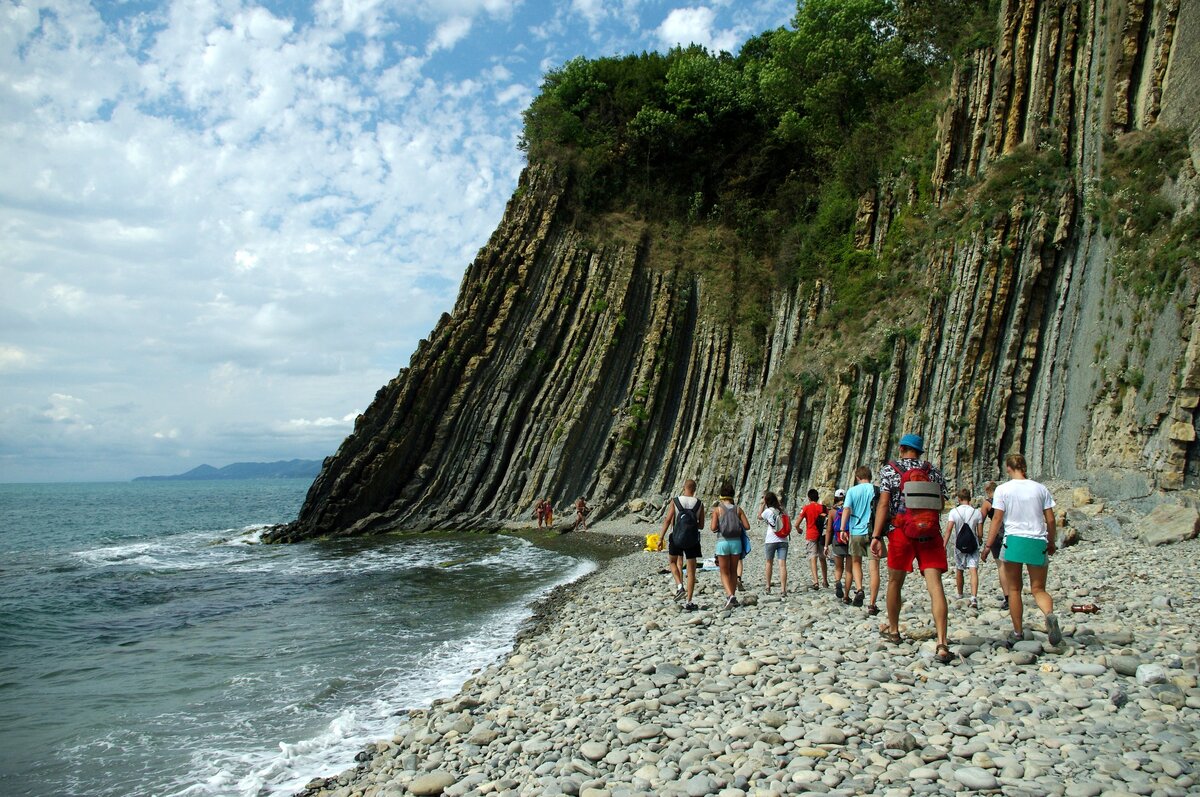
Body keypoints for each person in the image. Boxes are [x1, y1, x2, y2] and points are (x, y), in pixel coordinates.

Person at [871, 433, 953, 664]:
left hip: (901, 532)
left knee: (895, 583)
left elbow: (884, 503)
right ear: (919, 451)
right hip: (930, 532)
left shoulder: (890, 470)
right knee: (935, 586)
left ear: (902, 448)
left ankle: (894, 630)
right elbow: (941, 504)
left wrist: (877, 535)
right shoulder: (932, 470)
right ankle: (942, 642)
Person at [982, 454, 1062, 646]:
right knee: (1038, 589)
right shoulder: (1040, 488)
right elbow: (1050, 520)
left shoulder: (1003, 490)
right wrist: (1051, 542)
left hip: (1014, 542)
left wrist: (987, 546)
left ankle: (1018, 633)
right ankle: (1049, 614)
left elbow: (997, 519)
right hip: (1037, 542)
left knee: (1014, 589)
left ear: (1008, 468)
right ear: (1024, 467)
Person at [657, 479, 703, 610]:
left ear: (684, 487)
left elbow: (667, 520)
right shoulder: (699, 503)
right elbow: (701, 525)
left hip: (676, 537)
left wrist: (660, 538)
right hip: (692, 539)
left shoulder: (676, 501)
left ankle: (679, 586)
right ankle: (689, 601)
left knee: (672, 562)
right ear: (694, 489)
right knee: (691, 571)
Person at [711, 480, 751, 610]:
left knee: (724, 572)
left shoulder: (717, 510)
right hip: (736, 543)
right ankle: (733, 596)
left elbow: (713, 528)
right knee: (734, 571)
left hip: (722, 542)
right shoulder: (738, 509)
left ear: (721, 495)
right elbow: (747, 526)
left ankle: (729, 596)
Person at [944, 488, 983, 607]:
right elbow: (980, 533)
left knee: (959, 569)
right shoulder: (977, 512)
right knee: (973, 570)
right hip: (973, 544)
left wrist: (944, 545)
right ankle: (974, 597)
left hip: (959, 545)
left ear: (959, 499)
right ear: (970, 498)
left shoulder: (954, 512)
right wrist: (980, 540)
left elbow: (949, 529)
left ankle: (960, 594)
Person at [842, 467, 874, 607]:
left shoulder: (852, 491)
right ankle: (873, 601)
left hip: (856, 531)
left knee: (856, 562)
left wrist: (843, 528)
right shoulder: (876, 490)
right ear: (870, 476)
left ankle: (860, 588)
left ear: (857, 477)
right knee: (874, 567)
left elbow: (847, 509)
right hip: (873, 531)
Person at [980, 481, 1008, 609]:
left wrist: (980, 536)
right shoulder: (1005, 499)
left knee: (1001, 566)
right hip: (1009, 533)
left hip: (996, 536)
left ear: (987, 490)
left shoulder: (988, 502)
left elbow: (981, 520)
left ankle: (1008, 597)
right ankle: (1015, 593)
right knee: (1013, 566)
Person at [760, 491, 789, 596]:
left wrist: (762, 504)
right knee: (782, 565)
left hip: (771, 540)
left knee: (769, 563)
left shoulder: (768, 511)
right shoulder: (783, 510)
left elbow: (759, 516)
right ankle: (783, 589)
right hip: (783, 539)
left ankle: (768, 587)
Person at [798, 489, 826, 591]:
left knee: (812, 557)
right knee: (822, 557)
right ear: (817, 497)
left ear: (809, 498)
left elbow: (797, 523)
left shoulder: (806, 508)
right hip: (821, 534)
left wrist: (798, 529)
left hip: (811, 534)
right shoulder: (823, 508)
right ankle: (825, 580)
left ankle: (816, 581)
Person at [827, 489, 849, 600]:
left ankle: (838, 581)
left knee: (838, 567)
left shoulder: (832, 511)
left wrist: (826, 545)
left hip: (837, 539)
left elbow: (829, 530)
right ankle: (847, 594)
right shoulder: (849, 508)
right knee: (849, 568)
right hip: (849, 538)